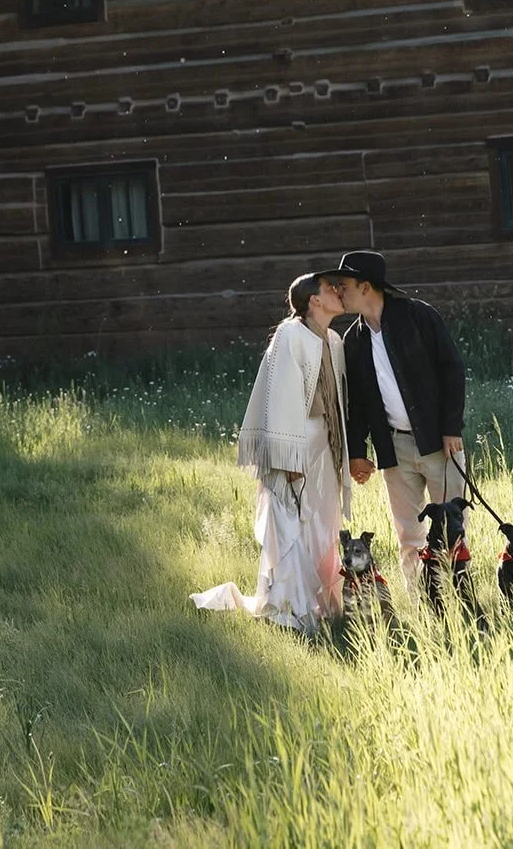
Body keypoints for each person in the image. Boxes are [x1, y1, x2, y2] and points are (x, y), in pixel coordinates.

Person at [190, 273, 351, 634]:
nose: (339, 293)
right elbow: (278, 398)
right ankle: (292, 608)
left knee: (324, 521)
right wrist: (285, 461)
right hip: (296, 444)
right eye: (330, 290)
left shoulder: (335, 341)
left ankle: (322, 604)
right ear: (314, 301)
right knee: (294, 520)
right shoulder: (290, 335)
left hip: (325, 446)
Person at [330, 250, 468, 593]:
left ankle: (457, 596)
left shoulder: (419, 316)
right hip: (394, 447)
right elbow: (356, 402)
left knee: (452, 526)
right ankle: (419, 599)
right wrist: (358, 451)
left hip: (439, 441)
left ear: (365, 287)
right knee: (408, 532)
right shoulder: (353, 340)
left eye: (343, 285)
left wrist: (452, 426)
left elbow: (452, 369)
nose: (337, 291)